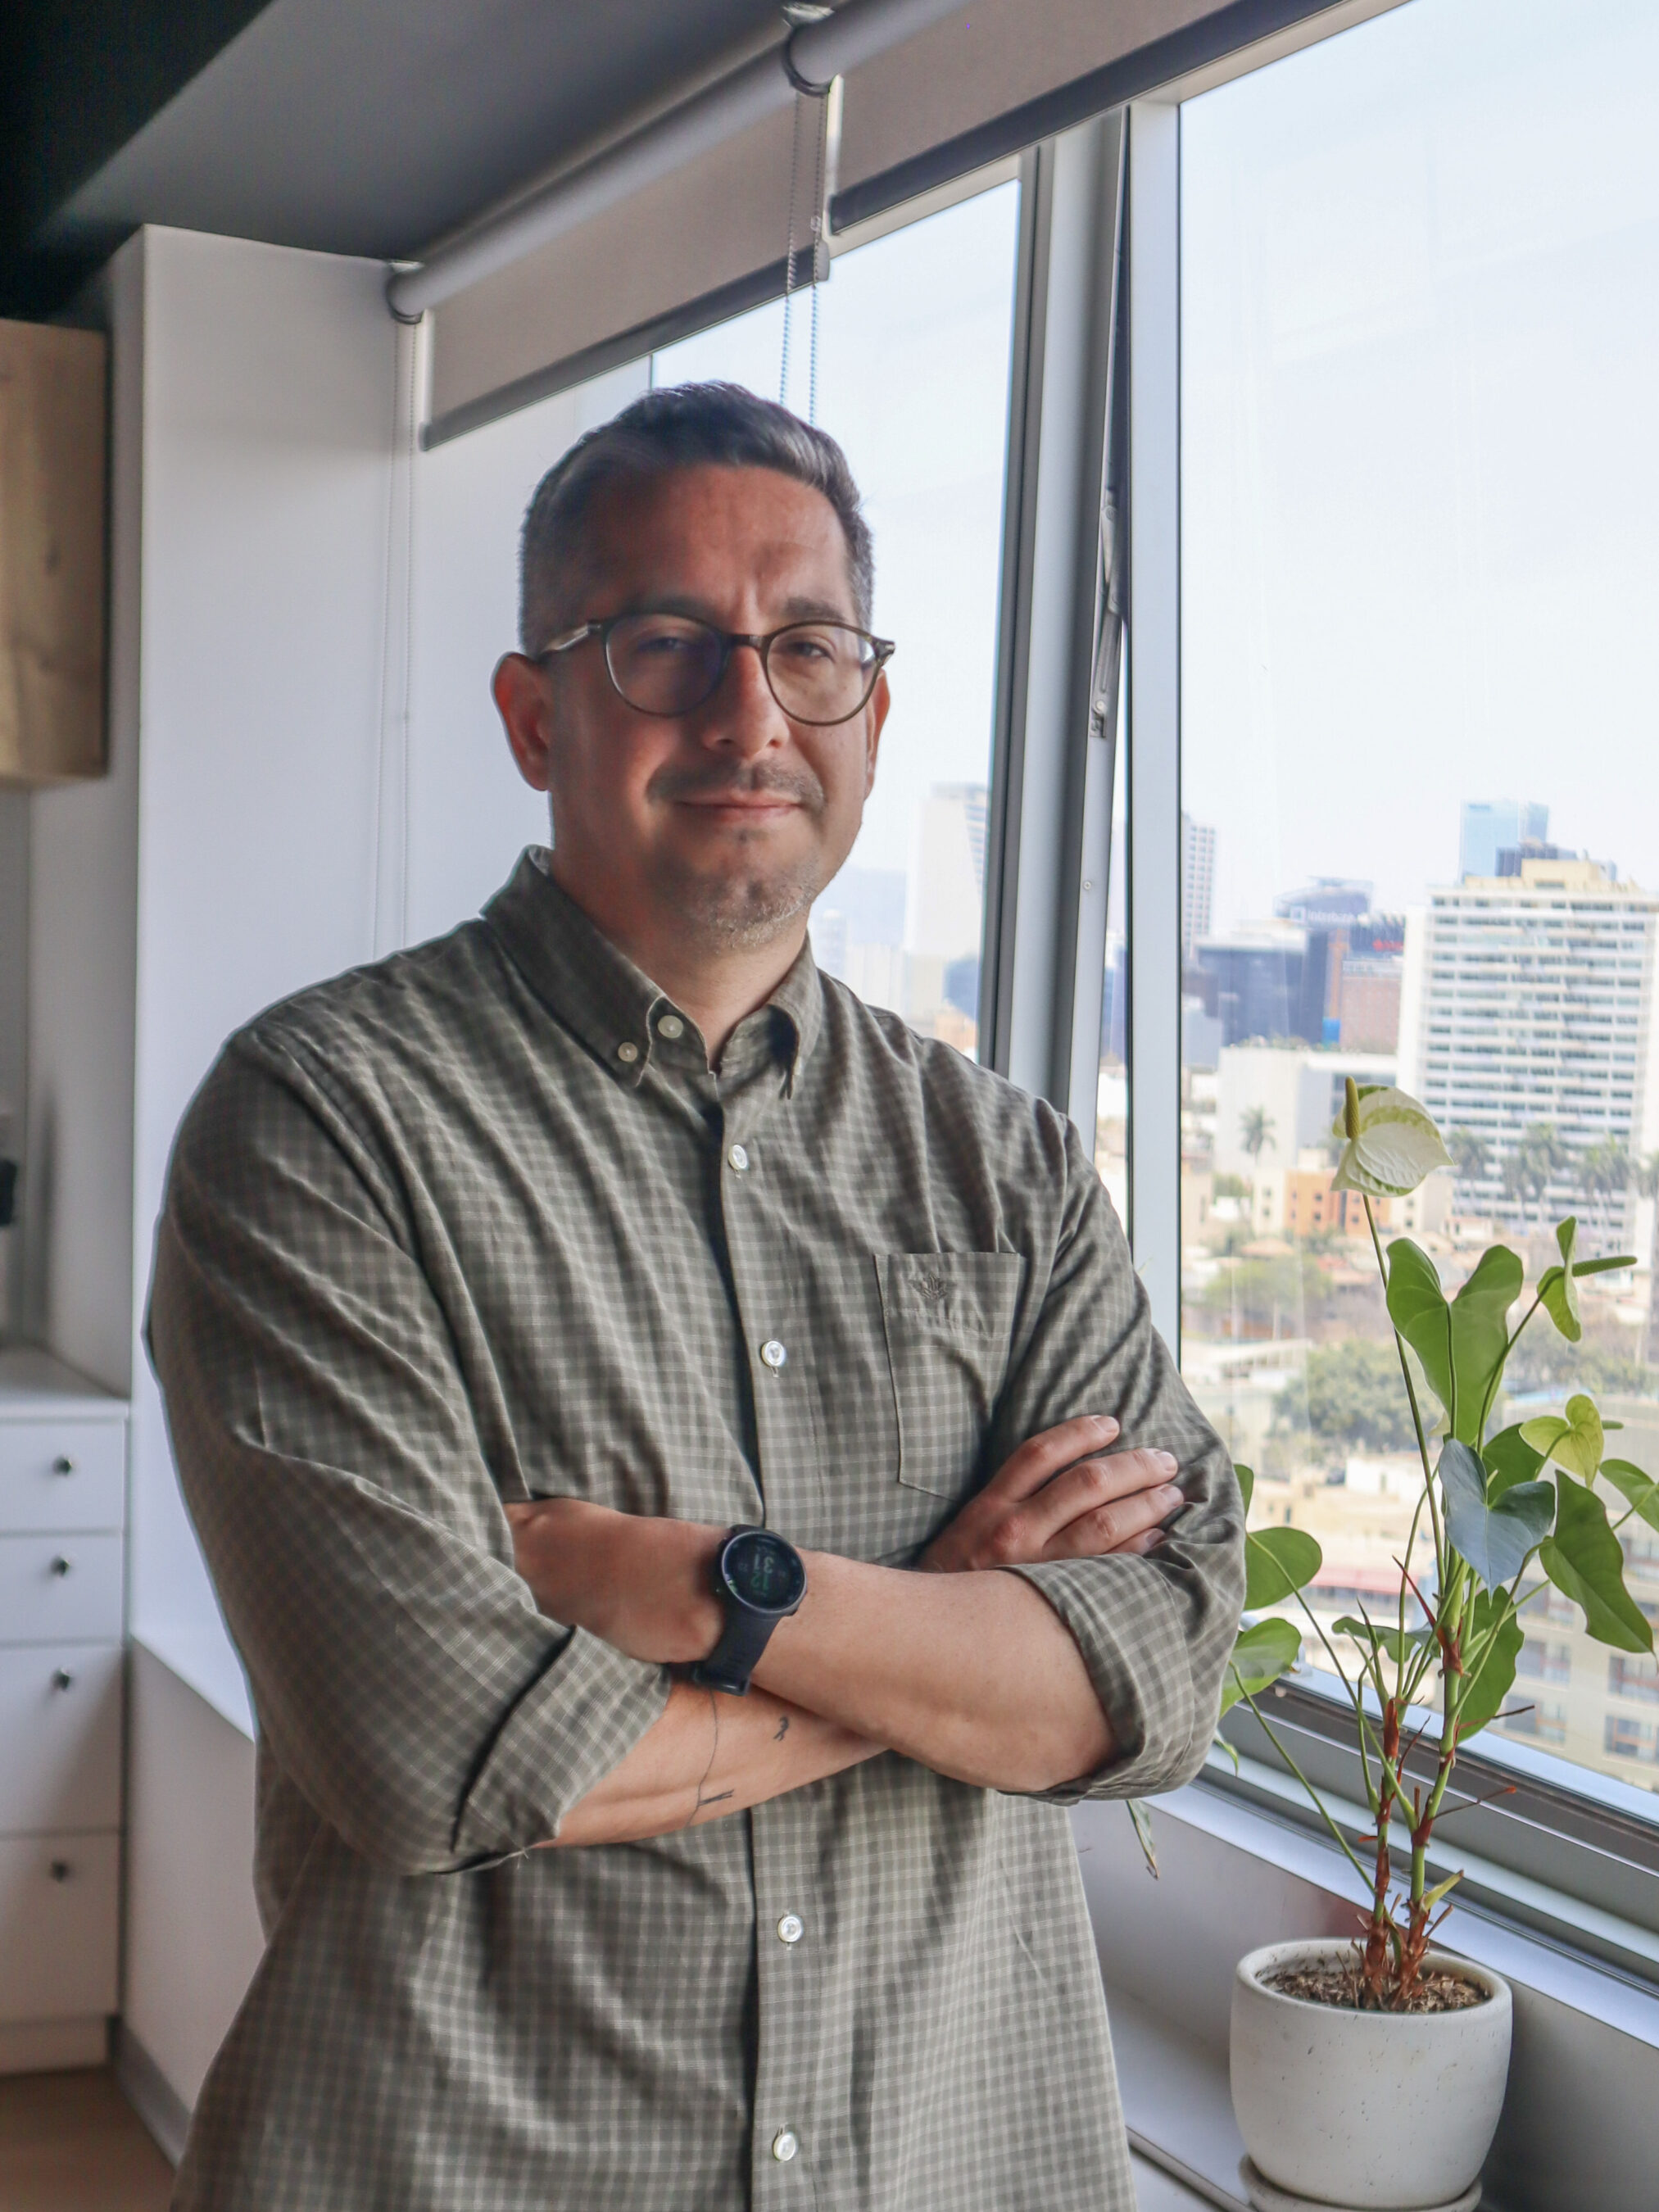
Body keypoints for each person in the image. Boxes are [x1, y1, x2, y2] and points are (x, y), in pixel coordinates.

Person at [147, 380, 1243, 2211]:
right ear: (530, 712)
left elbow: (1157, 1677)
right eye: (662, 644)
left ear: (870, 717)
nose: (748, 712)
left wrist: (696, 1589)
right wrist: (949, 1626)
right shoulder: (321, 1123)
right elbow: (434, 1755)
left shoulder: (1012, 1167)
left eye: (805, 645)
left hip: (951, 2159)